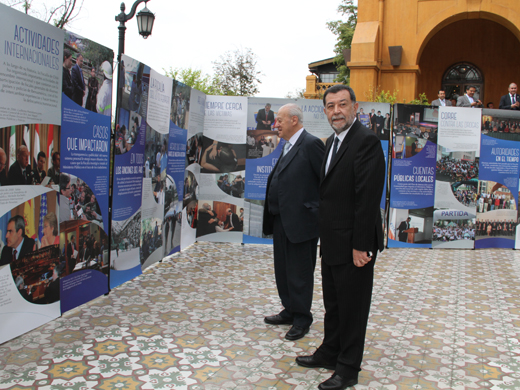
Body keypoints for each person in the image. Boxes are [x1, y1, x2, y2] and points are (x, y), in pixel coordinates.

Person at [295, 85, 385, 390]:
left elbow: (368, 197)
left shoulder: (366, 141)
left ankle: (347, 369)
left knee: (353, 308)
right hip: (332, 241)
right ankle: (329, 352)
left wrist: (361, 245)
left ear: (355, 107)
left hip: (354, 244)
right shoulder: (333, 142)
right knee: (334, 304)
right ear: (325, 111)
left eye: (342, 104)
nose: (336, 111)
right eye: (331, 106)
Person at [263, 103, 325, 341]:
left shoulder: (310, 144)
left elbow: (325, 182)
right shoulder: (287, 144)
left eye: (279, 120)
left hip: (302, 222)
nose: (275, 124)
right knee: (283, 270)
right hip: (282, 220)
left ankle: (302, 318)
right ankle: (289, 309)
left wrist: (314, 210)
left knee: (300, 272)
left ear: (294, 121)